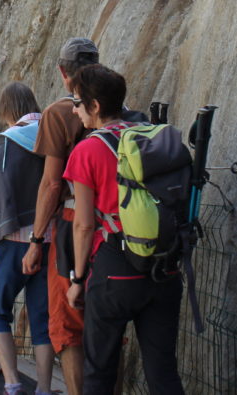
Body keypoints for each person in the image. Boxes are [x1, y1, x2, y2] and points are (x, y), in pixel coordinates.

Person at [64, 65, 184, 394]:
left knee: (99, 373)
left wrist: (76, 280)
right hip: (164, 269)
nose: (74, 109)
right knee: (163, 373)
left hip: (115, 272)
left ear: (95, 106)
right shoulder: (151, 138)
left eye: (76, 102)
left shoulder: (86, 151)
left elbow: (84, 225)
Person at [21, 37, 100, 394]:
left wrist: (36, 241)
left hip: (72, 227)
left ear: (62, 72)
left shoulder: (59, 113)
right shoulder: (121, 109)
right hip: (115, 229)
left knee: (68, 325)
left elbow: (52, 185)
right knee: (104, 324)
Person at [0, 82, 54, 395]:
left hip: (12, 240)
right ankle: (44, 387)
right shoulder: (56, 136)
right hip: (49, 239)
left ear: (7, 110)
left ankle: (12, 383)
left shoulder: (6, 145)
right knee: (42, 316)